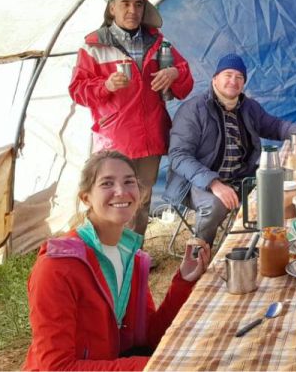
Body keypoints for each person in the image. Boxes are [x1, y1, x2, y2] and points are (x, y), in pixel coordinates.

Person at [23, 151, 210, 371]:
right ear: (86, 198)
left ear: (139, 194)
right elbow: (56, 367)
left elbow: (148, 337)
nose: (121, 192)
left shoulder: (131, 256)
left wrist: (183, 282)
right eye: (107, 183)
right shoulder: (56, 267)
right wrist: (152, 366)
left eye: (129, 181)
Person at [68, 0, 193, 240]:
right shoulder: (93, 46)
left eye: (138, 4)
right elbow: (77, 90)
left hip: (151, 137)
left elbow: (185, 81)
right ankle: (107, 253)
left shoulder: (160, 42)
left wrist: (172, 73)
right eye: (125, 4)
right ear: (112, 8)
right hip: (115, 140)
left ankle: (134, 257)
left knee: (141, 200)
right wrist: (105, 85)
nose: (132, 11)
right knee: (112, 200)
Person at [163, 53, 296, 246]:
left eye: (239, 77)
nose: (233, 81)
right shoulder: (193, 110)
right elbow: (178, 156)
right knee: (215, 205)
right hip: (197, 182)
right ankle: (200, 252)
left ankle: (272, 244)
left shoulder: (248, 107)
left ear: (243, 84)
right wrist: (213, 183)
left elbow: (274, 126)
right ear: (215, 78)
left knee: (284, 183)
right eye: (228, 74)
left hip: (240, 177)